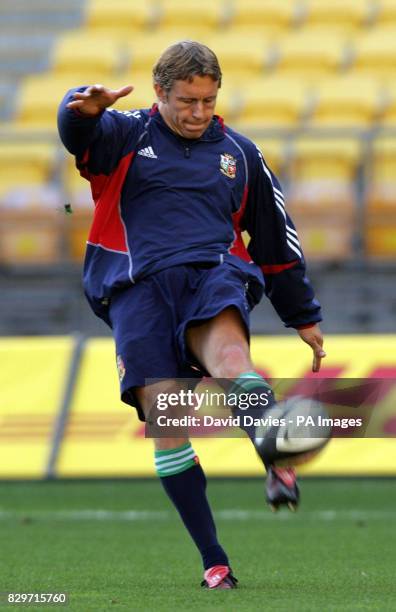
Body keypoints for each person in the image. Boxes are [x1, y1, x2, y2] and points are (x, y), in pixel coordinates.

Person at [58, 40, 326, 590]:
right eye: (187, 101)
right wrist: (78, 109)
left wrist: (302, 314)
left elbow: (275, 236)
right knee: (167, 419)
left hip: (214, 273)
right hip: (138, 290)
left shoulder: (241, 154)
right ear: (159, 93)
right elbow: (80, 132)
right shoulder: (124, 134)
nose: (198, 113)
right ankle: (214, 560)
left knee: (231, 359)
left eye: (208, 101)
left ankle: (276, 459)